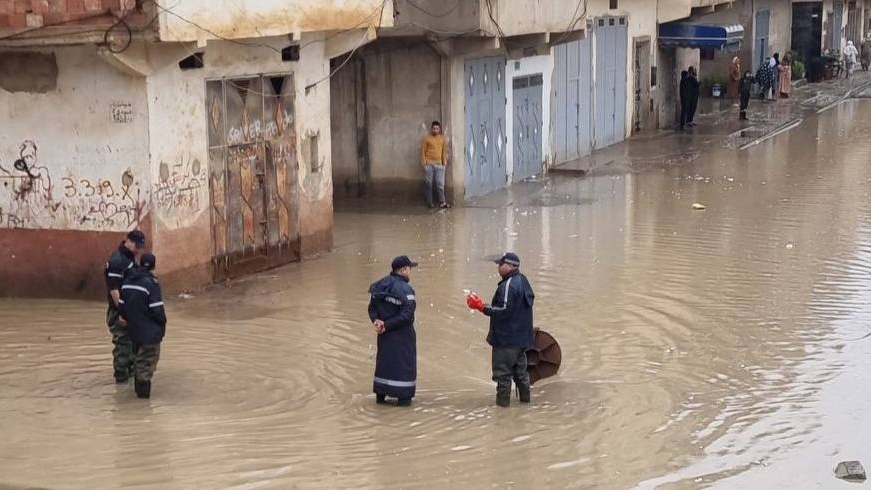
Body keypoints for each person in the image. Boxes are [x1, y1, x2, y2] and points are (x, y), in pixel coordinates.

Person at [466, 252, 535, 408]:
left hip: (506, 341)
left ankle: (502, 414)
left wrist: (481, 307)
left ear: (510, 266)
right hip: (521, 340)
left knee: (503, 376)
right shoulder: (523, 280)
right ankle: (526, 406)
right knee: (521, 374)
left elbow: (503, 310)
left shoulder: (509, 285)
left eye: (500, 264)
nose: (497, 267)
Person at [368, 255, 418, 406]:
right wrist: (387, 325)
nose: (410, 272)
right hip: (402, 337)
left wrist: (377, 322)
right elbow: (407, 315)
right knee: (404, 366)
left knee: (384, 363)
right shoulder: (406, 290)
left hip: (384, 336)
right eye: (409, 269)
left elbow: (372, 308)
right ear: (403, 270)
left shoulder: (378, 285)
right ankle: (403, 399)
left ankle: (381, 396)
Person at [118, 253, 166, 399]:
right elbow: (157, 311)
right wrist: (162, 324)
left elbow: (121, 308)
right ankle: (144, 407)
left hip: (134, 334)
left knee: (139, 365)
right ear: (153, 266)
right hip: (150, 335)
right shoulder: (151, 284)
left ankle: (137, 401)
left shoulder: (127, 281)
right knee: (145, 368)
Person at [103, 230, 146, 383]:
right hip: (119, 312)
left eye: (139, 246)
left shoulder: (130, 258)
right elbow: (114, 290)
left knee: (133, 345)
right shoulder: (117, 261)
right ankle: (121, 380)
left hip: (131, 310)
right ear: (127, 240)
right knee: (123, 346)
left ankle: (130, 381)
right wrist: (123, 312)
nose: (137, 249)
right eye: (135, 244)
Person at [421, 121, 448, 209]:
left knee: (440, 184)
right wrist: (424, 164)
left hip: (439, 164)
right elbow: (423, 151)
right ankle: (430, 202)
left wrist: (444, 164)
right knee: (428, 184)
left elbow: (444, 151)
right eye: (434, 128)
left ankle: (442, 202)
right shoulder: (426, 138)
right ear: (431, 129)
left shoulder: (442, 139)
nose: (435, 130)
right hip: (429, 164)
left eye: (437, 129)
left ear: (439, 129)